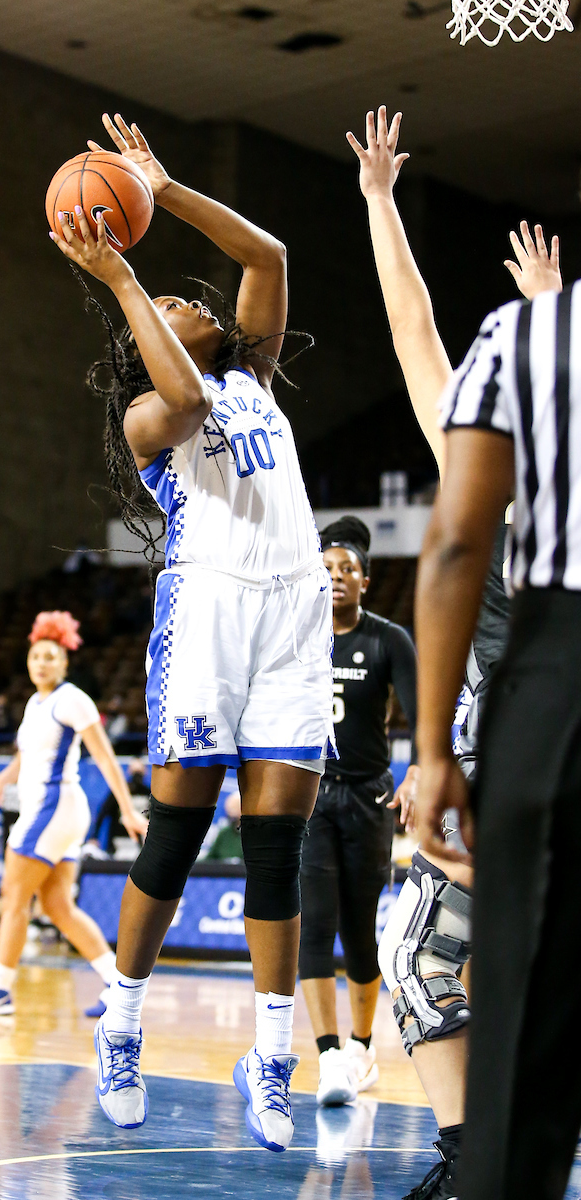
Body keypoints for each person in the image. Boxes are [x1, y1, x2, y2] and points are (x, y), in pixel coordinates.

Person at [51, 111, 335, 1151]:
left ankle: (270, 1057)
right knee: (175, 832)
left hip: (293, 602)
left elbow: (267, 253)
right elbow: (172, 382)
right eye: (166, 299)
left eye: (181, 294)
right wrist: (122, 280)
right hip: (210, 601)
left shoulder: (253, 379)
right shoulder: (149, 420)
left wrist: (158, 189)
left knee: (274, 845)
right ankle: (120, 1023)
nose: (184, 296)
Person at [346, 106, 563, 1199]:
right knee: (420, 961)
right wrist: (382, 204)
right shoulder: (519, 428)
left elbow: (420, 341)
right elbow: (412, 333)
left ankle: (473, 1161)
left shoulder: (507, 472)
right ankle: (458, 1157)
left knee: (434, 961)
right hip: (504, 739)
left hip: (514, 742)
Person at [415, 280, 581, 1200]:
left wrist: (433, 750)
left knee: (524, 1058)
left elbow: (452, 544)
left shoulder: (527, 335)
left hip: (559, 690)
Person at [0, 611, 148, 1020]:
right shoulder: (34, 703)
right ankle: (118, 986)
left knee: (13, 897)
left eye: (50, 656)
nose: (42, 662)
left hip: (53, 808)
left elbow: (104, 755)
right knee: (57, 905)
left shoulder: (71, 698)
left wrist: (127, 808)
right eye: (36, 655)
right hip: (54, 811)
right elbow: (25, 757)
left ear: (64, 662)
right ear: (28, 661)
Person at [300, 515, 418, 1106]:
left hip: (370, 798)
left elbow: (424, 718)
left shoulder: (389, 639)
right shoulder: (296, 635)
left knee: (359, 933)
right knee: (314, 928)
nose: (337, 577)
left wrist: (419, 768)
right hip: (313, 797)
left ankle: (362, 1046)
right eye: (326, 569)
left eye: (348, 569)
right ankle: (326, 1058)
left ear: (365, 581)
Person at [88, 758, 150, 856]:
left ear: (145, 771)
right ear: (129, 771)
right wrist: (94, 837)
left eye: (139, 770)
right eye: (135, 770)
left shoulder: (149, 793)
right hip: (118, 842)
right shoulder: (120, 793)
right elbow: (102, 813)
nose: (137, 774)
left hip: (141, 843)